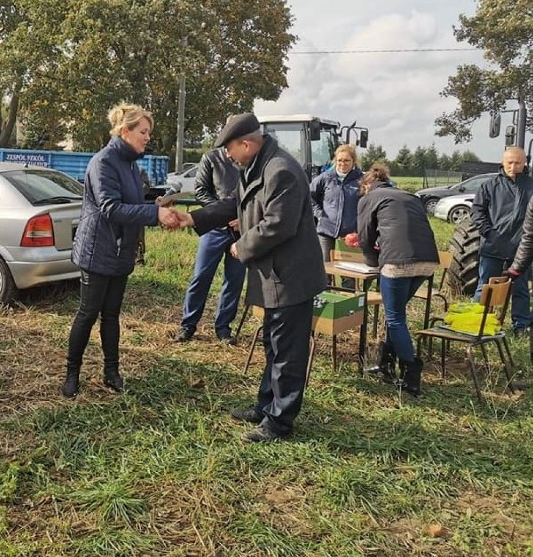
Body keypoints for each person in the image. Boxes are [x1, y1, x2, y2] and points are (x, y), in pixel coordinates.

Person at [176, 113, 327, 443]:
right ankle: (266, 406)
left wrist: (241, 246)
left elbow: (277, 225)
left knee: (288, 351)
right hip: (274, 275)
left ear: (247, 143)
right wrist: (192, 218)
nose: (228, 156)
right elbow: (234, 204)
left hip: (291, 276)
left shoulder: (281, 171)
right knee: (273, 345)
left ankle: (280, 423)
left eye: (230, 149)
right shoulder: (257, 166)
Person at [62, 103, 179, 398]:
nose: (147, 137)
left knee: (112, 315)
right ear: (125, 131)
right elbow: (111, 208)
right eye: (143, 131)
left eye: (148, 132)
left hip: (120, 252)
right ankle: (71, 373)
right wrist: (154, 216)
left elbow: (131, 204)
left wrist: (155, 206)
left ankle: (111, 372)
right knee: (88, 313)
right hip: (97, 250)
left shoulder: (131, 165)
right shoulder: (103, 162)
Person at [357, 163, 439, 396]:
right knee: (398, 312)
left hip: (397, 262)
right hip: (427, 261)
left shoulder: (369, 198)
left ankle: (411, 372)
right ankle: (385, 363)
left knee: (394, 318)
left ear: (366, 186)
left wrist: (372, 263)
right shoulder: (409, 196)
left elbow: (364, 236)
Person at [173, 147, 245, 345]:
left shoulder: (249, 159)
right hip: (213, 228)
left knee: (234, 280)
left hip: (241, 228)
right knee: (201, 276)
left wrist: (244, 218)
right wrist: (219, 213)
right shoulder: (211, 158)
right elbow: (201, 191)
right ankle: (188, 325)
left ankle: (223, 328)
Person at [470, 146, 533, 334]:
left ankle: (520, 327)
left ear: (525, 163)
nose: (513, 166)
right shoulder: (489, 186)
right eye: (510, 162)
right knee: (485, 287)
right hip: (493, 248)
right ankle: (478, 323)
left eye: (518, 163)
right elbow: (477, 211)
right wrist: (489, 233)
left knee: (520, 290)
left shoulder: (531, 186)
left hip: (521, 250)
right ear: (503, 163)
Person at [309, 144, 363, 289]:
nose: (342, 164)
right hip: (326, 231)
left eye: (346, 161)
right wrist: (320, 214)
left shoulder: (361, 180)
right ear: (335, 160)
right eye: (339, 160)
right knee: (324, 270)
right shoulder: (325, 178)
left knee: (349, 272)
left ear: (353, 162)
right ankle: (324, 302)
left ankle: (347, 305)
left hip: (350, 234)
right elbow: (310, 197)